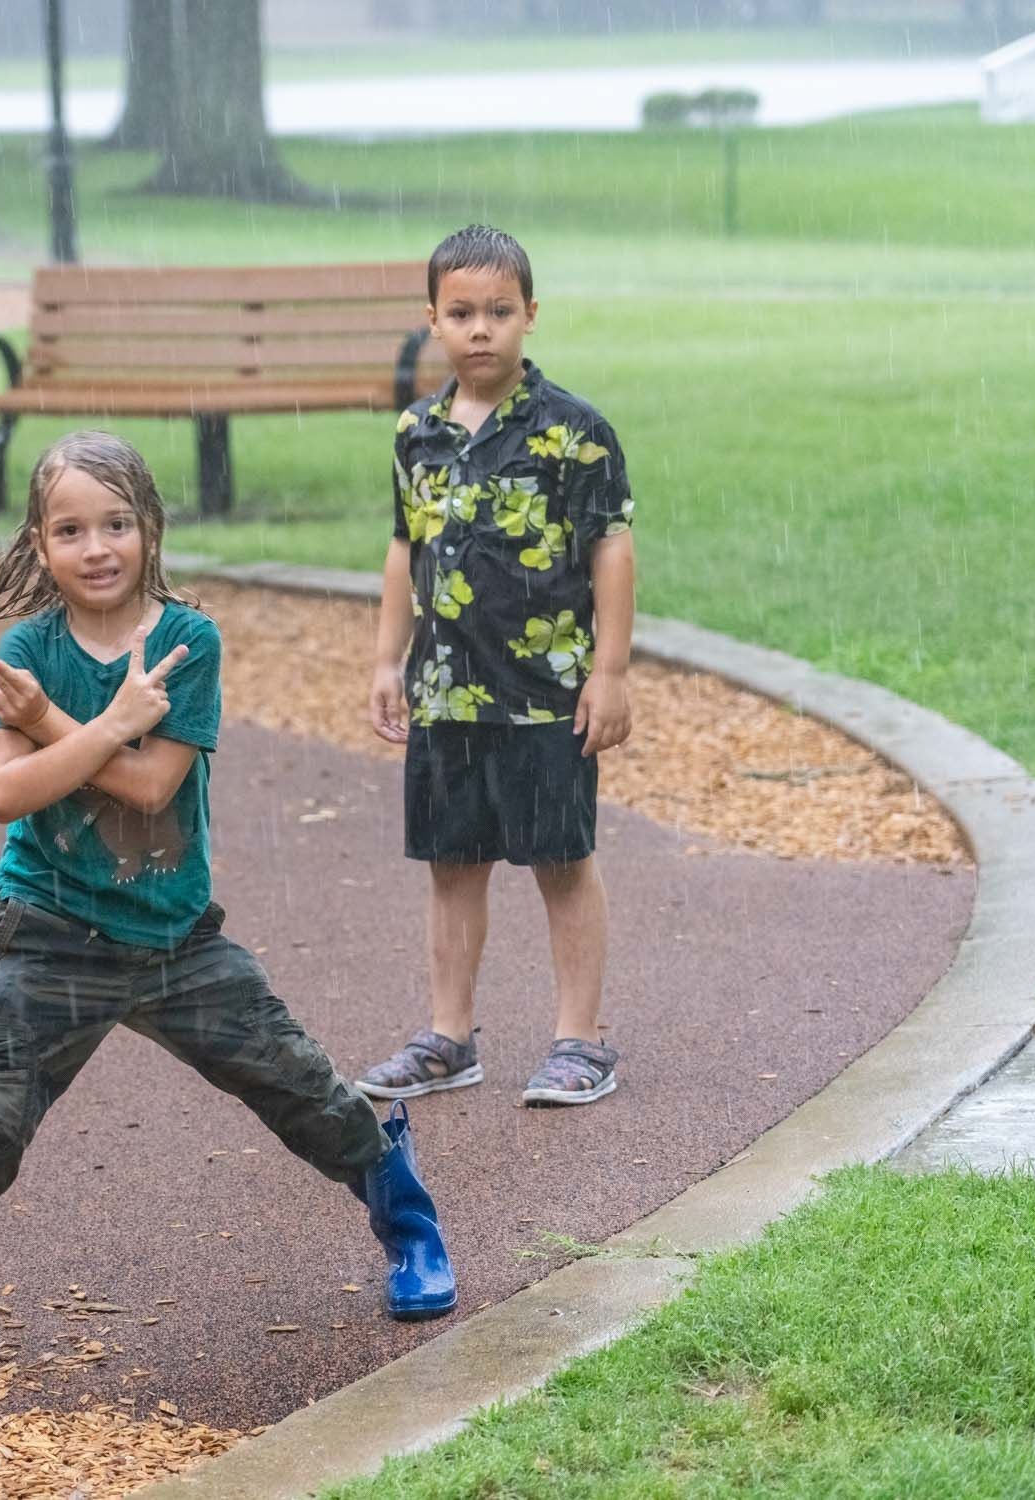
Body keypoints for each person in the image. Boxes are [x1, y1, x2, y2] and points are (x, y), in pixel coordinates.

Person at [0, 430, 457, 1373]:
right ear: (39, 545)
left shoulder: (186, 640)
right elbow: (6, 795)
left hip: (175, 941)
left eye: (116, 524)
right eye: (70, 529)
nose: (97, 548)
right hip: (48, 936)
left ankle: (411, 1232)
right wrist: (109, 726)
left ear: (150, 527)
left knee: (302, 1085)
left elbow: (148, 792)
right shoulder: (28, 647)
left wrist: (66, 724)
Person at [357, 224, 637, 1111]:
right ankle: (449, 1036)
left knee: (561, 860)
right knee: (452, 862)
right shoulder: (417, 434)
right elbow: (405, 547)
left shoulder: (573, 434)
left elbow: (611, 550)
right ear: (432, 320)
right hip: (446, 694)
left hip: (545, 697)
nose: (482, 329)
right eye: (462, 312)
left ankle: (580, 1041)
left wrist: (613, 671)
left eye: (500, 312)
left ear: (531, 318)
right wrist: (385, 660)